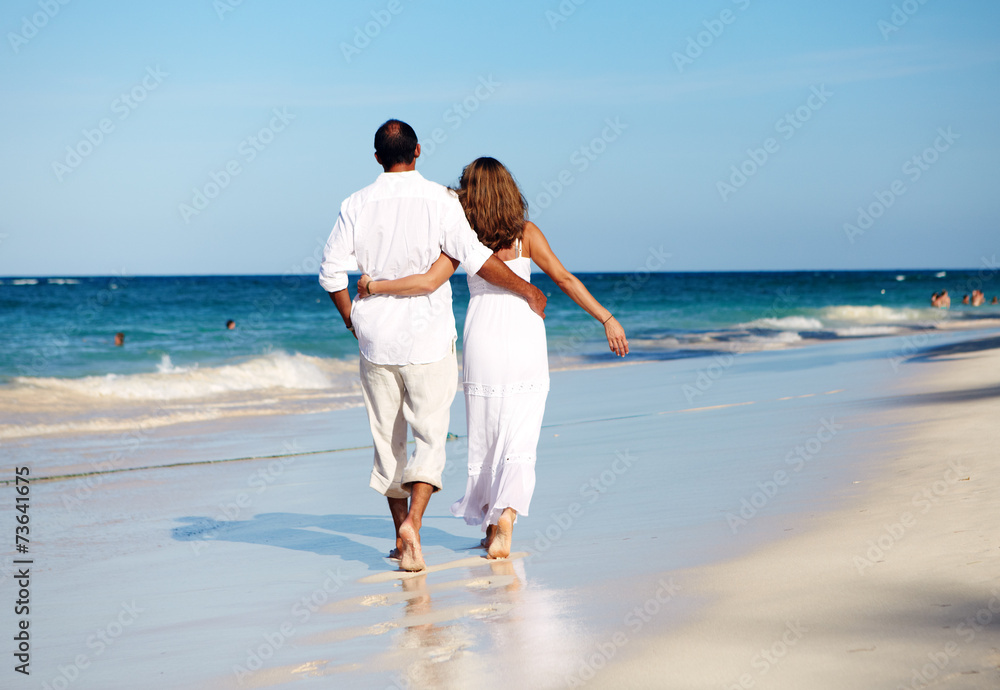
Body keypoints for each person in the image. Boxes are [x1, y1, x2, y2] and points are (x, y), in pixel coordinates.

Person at [356, 157, 628, 559]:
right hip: (524, 334)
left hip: (482, 334)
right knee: (520, 433)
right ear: (508, 190)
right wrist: (606, 318)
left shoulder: (465, 237)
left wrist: (374, 286)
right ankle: (506, 517)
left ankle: (489, 522)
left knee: (485, 432)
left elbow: (429, 281)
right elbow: (565, 279)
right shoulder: (527, 234)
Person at [318, 122, 547, 572]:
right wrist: (527, 290)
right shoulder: (441, 202)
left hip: (376, 343)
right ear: (418, 150)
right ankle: (414, 528)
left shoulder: (355, 204)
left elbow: (329, 274)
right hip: (429, 340)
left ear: (377, 156)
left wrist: (351, 318)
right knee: (430, 441)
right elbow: (478, 257)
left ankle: (402, 536)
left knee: (389, 444)